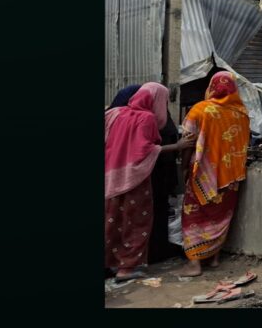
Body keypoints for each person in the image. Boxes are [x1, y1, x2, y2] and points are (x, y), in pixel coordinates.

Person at [106, 83, 196, 281]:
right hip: (134, 178)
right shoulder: (147, 118)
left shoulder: (115, 113)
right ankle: (127, 268)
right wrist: (178, 146)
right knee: (136, 222)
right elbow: (145, 150)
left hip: (111, 177)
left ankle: (112, 264)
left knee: (114, 220)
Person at [178, 71, 251, 277]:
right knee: (220, 216)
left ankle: (194, 264)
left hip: (203, 173)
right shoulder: (242, 113)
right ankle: (215, 258)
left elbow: (188, 142)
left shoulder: (200, 109)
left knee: (193, 214)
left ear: (211, 87)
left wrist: (184, 167)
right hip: (231, 176)